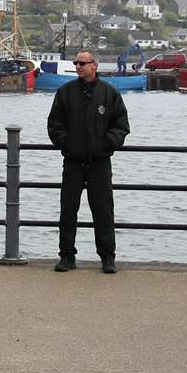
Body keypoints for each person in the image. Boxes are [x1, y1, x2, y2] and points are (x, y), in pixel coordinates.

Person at [46, 50, 130, 274]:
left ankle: (107, 257)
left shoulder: (109, 93)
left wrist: (106, 145)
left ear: (95, 65)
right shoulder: (65, 93)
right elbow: (54, 124)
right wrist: (66, 145)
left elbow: (121, 126)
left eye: (83, 63)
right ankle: (66, 256)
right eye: (76, 62)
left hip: (100, 162)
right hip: (73, 161)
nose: (78, 66)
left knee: (103, 210)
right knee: (68, 210)